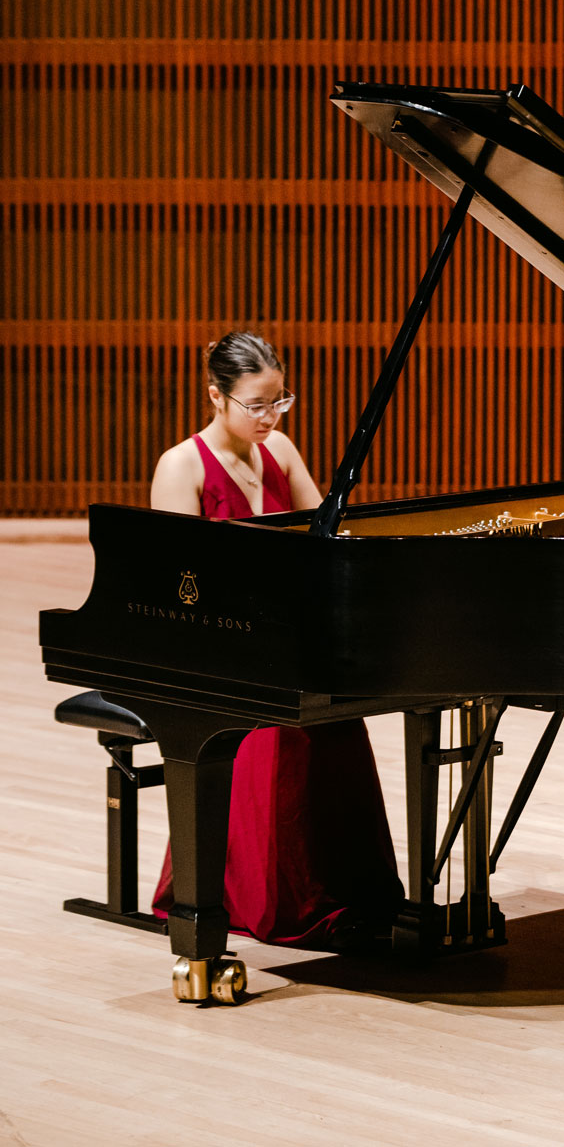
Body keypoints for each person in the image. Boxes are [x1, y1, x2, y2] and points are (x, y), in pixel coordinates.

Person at [148, 330, 404, 950]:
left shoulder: (281, 451)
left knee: (342, 704)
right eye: (256, 404)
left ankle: (348, 888)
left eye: (278, 401)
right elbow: (177, 584)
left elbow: (324, 542)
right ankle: (277, 898)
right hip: (219, 646)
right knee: (285, 716)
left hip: (283, 635)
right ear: (216, 396)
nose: (269, 417)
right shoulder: (181, 466)